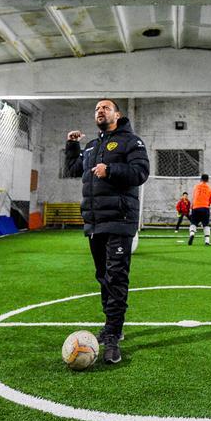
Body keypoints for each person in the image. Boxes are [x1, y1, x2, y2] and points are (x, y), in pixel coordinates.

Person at [64, 99, 149, 364]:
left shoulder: (131, 142)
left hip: (119, 219)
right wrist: (72, 146)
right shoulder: (92, 146)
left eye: (106, 108)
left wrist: (110, 170)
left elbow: (141, 172)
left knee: (116, 277)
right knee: (103, 276)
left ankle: (112, 334)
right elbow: (73, 169)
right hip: (95, 221)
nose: (100, 111)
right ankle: (112, 326)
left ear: (117, 115)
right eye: (97, 109)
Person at [188, 173, 211, 246]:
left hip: (195, 207)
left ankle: (192, 233)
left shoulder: (196, 187)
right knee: (206, 225)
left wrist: (192, 206)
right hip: (205, 208)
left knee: (193, 223)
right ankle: (207, 241)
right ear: (208, 180)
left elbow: (194, 197)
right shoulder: (210, 189)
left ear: (201, 179)